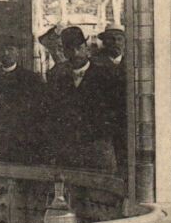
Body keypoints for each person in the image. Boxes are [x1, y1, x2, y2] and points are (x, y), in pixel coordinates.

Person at [47, 26, 123, 172]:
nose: (75, 53)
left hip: (98, 150)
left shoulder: (106, 75)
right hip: (68, 151)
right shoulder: (57, 78)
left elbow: (116, 113)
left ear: (86, 48)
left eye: (79, 48)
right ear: (64, 51)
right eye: (70, 49)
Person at [0, 34, 47, 164]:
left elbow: (38, 112)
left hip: (22, 140)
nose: (6, 53)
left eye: (10, 49)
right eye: (2, 50)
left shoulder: (31, 79)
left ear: (18, 52)